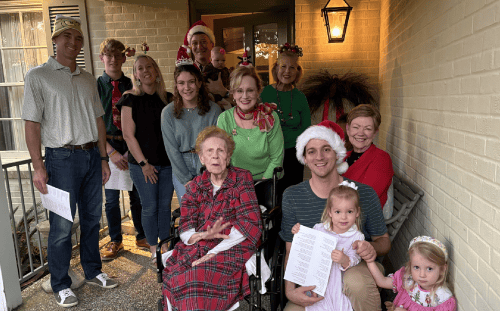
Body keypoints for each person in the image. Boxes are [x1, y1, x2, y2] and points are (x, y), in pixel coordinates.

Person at [22, 15, 116, 308]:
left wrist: (103, 158)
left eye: (78, 38)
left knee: (91, 219)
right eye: (67, 37)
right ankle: (60, 283)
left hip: (90, 156)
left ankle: (93, 271)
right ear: (55, 39)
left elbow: (99, 121)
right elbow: (32, 124)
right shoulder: (38, 76)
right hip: (60, 159)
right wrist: (39, 166)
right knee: (62, 226)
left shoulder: (89, 79)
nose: (73, 42)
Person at [279, 120, 391, 311]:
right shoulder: (293, 195)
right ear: (304, 158)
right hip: (318, 279)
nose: (319, 157)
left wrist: (370, 248)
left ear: (337, 154)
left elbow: (384, 241)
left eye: (326, 149)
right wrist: (290, 291)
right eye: (311, 151)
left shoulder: (363, 193)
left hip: (356, 272)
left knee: (355, 281)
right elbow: (292, 250)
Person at [161, 126, 262, 311]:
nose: (215, 156)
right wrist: (202, 236)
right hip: (197, 246)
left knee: (198, 277)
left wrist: (214, 251)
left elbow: (250, 222)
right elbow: (185, 226)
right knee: (178, 275)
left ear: (228, 156)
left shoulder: (242, 178)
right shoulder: (194, 187)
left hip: (232, 245)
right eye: (209, 151)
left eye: (220, 151)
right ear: (202, 158)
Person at [118, 54, 174, 265]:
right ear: (136, 74)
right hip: (142, 165)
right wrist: (144, 164)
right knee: (150, 206)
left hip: (167, 164)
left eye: (150, 66)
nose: (146, 70)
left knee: (165, 206)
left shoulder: (168, 99)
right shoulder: (129, 98)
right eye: (140, 68)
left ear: (157, 71)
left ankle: (165, 246)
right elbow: (128, 135)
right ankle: (153, 249)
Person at [97, 38, 149, 261]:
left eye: (118, 55)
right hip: (107, 145)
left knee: (136, 195)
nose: (113, 59)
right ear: (102, 58)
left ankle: (141, 235)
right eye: (108, 55)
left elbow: (141, 118)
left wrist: (130, 148)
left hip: (131, 144)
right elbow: (94, 121)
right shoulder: (96, 86)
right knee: (111, 199)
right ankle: (115, 239)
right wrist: (110, 152)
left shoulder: (131, 85)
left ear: (123, 58)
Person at [291, 181, 364, 311]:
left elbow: (356, 258)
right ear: (330, 212)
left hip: (338, 284)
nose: (343, 217)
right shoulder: (320, 229)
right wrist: (298, 232)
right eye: (337, 212)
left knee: (340, 307)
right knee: (317, 305)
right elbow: (308, 245)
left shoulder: (356, 237)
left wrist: (344, 259)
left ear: (357, 212)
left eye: (349, 211)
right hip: (319, 279)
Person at [161, 46, 222, 201]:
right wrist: (187, 180)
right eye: (181, 83)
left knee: (211, 213)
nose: (186, 88)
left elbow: (218, 145)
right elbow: (172, 150)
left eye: (191, 82)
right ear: (176, 85)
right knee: (190, 216)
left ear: (199, 83)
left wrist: (210, 174)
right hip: (182, 165)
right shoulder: (168, 113)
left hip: (209, 165)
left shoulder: (213, 110)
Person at [217, 66, 284, 180]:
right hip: (235, 182)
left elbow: (276, 159)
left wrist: (261, 185)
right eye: (239, 91)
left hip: (267, 181)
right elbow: (221, 158)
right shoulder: (224, 119)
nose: (245, 96)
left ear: (258, 92)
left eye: (250, 90)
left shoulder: (270, 117)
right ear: (233, 93)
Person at [260, 43, 310, 192]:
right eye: (283, 66)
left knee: (293, 192)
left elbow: (306, 128)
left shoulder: (300, 97)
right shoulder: (265, 93)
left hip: (293, 154)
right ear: (276, 68)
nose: (287, 71)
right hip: (269, 152)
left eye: (292, 67)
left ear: (297, 71)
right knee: (271, 191)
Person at [367, 236, 456, 311]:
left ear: (442, 269)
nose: (422, 275)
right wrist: (369, 260)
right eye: (416, 267)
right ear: (410, 265)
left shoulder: (443, 299)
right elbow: (382, 281)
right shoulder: (407, 280)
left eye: (429, 269)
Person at [343, 104, 394, 208]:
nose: (360, 133)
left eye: (368, 128)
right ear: (348, 129)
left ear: (375, 132)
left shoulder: (381, 159)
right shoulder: (344, 157)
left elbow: (365, 199)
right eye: (356, 127)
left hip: (361, 218)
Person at [183, 20, 231, 102]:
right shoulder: (186, 71)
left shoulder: (224, 71)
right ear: (190, 46)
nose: (199, 46)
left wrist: (223, 91)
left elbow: (238, 101)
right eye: (194, 43)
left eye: (203, 42)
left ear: (211, 44)